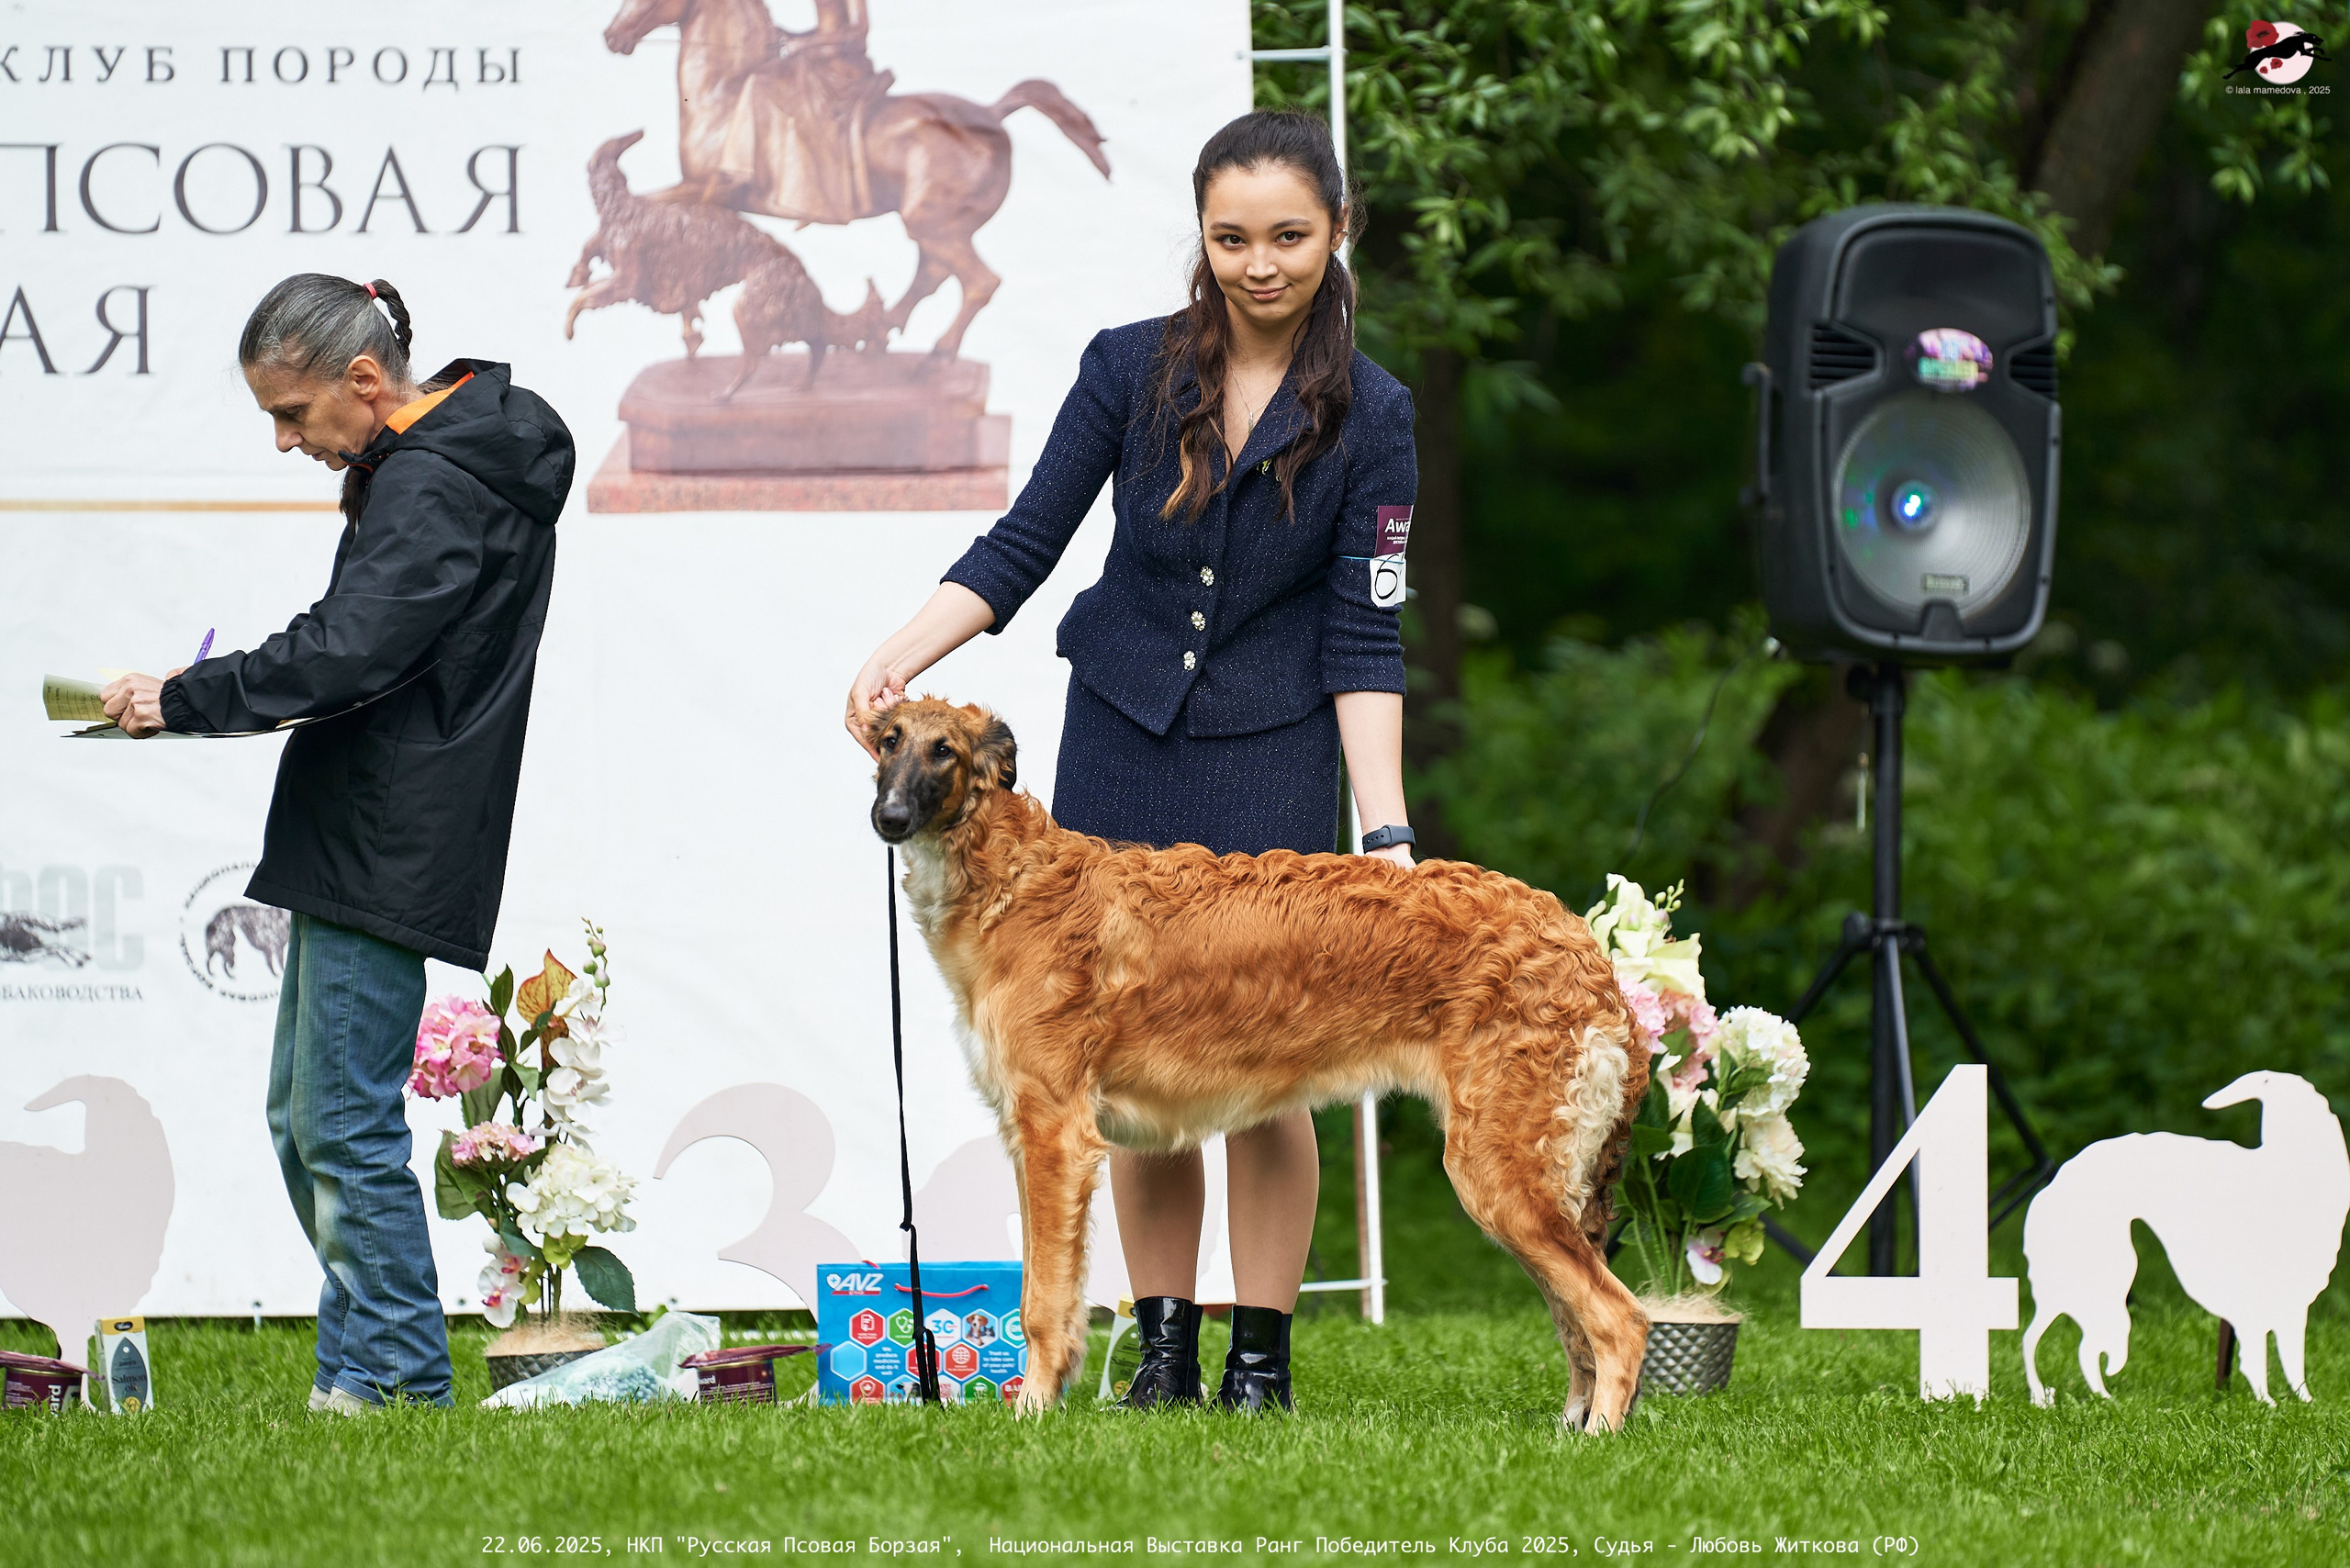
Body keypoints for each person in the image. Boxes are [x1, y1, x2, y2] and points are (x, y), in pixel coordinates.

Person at [845, 110, 1416, 1413]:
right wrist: (897, 652)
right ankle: (1159, 1349)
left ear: (1337, 233)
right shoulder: (1124, 370)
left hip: (1268, 772)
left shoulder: (1375, 416)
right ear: (1201, 237)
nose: (1259, 264)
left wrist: (1382, 832)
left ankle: (1257, 1361)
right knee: (1129, 1061)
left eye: (1288, 236)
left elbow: (1363, 635)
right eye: (1230, 238)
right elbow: (1022, 542)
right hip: (1118, 740)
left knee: (1273, 1078)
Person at [101, 274, 574, 1413]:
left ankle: (401, 1386)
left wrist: (188, 694)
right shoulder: (445, 460)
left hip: (388, 831)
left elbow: (349, 651)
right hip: (362, 826)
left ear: (364, 382)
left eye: (294, 414)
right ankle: (354, 1375)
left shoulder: (431, 481)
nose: (284, 440)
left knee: (342, 1124)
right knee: (306, 1116)